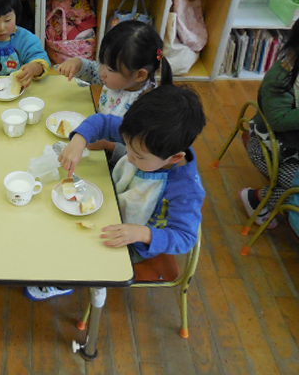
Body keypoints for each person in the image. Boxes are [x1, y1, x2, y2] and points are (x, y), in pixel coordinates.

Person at [25, 85, 206, 300]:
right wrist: (78, 141)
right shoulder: (143, 135)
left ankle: (65, 281)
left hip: (132, 239)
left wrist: (142, 234)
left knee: (77, 247)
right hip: (116, 196)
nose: (129, 156)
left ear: (175, 158)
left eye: (138, 156)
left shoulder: (185, 190)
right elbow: (102, 122)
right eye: (127, 145)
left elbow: (185, 237)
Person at [57, 20, 172, 163]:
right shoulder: (118, 80)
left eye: (110, 69)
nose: (102, 72)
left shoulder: (146, 107)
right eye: (102, 63)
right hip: (94, 139)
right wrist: (78, 64)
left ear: (140, 75)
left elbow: (143, 154)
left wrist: (109, 146)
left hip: (116, 165)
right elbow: (93, 70)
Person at [240, 19, 299, 232]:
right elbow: (278, 119)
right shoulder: (283, 74)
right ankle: (255, 198)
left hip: (290, 148)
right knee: (296, 188)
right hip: (271, 149)